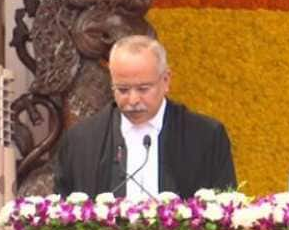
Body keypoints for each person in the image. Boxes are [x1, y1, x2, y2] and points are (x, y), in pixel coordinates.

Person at [54, 35, 237, 198]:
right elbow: (62, 218)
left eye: (143, 89)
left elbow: (225, 212)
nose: (133, 100)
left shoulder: (205, 137)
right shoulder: (81, 141)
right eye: (123, 89)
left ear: (166, 81)